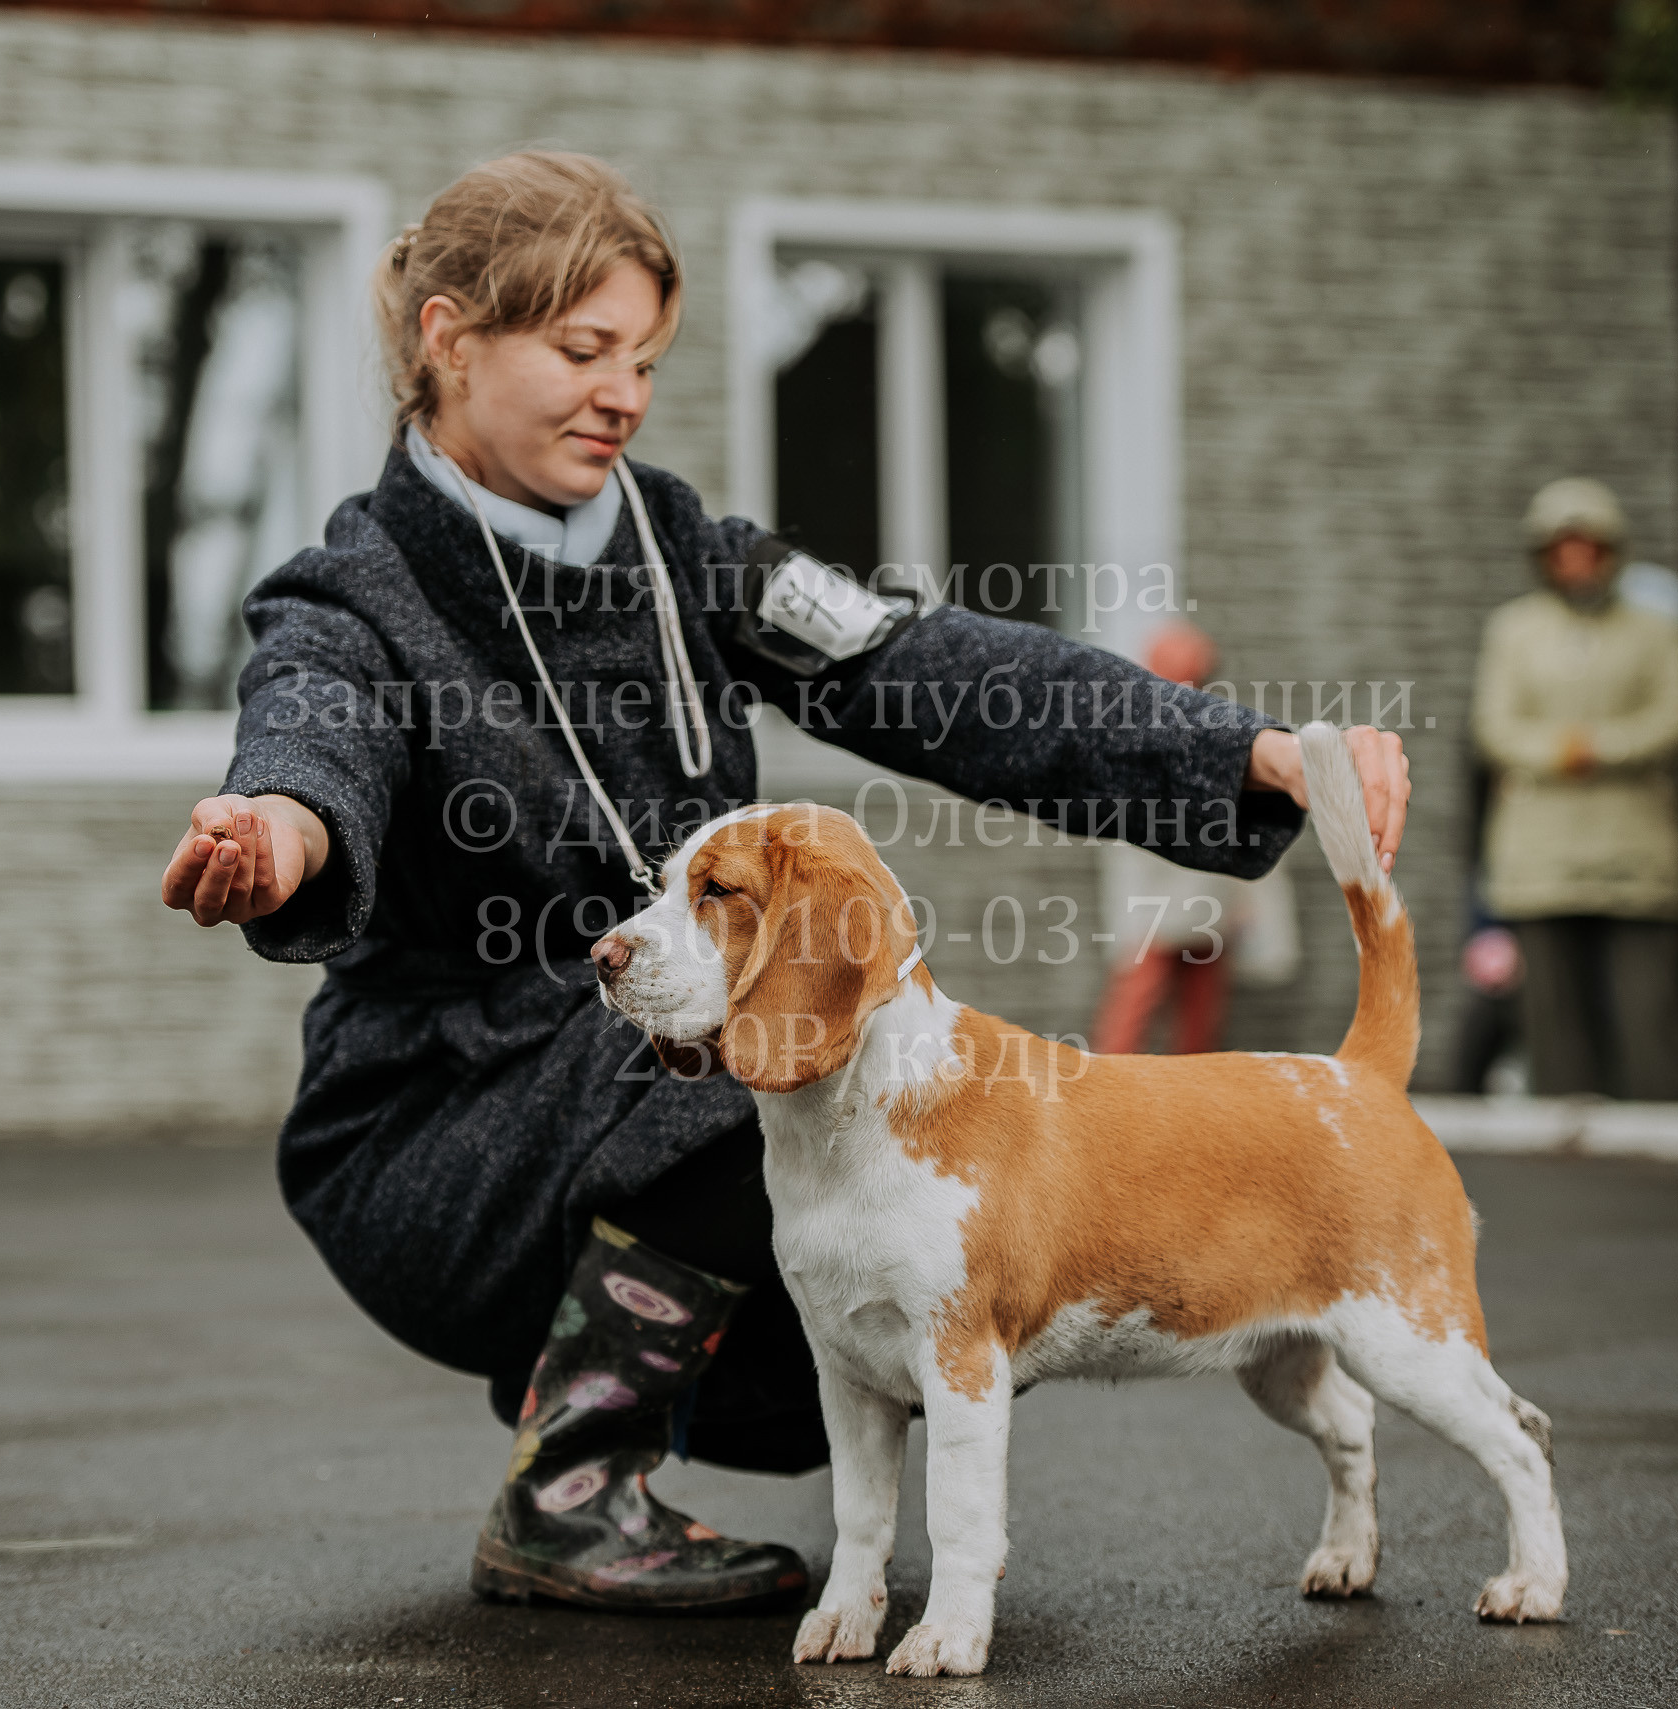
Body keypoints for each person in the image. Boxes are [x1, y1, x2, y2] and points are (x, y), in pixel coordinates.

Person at [155, 152, 1412, 1614]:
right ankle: (569, 1491)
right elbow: (315, 729)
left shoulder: (685, 551)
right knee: (744, 1039)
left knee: (905, 1139)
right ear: (448, 339)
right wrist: (279, 831)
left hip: (656, 1077)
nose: (621, 392)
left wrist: (1238, 752)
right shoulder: (355, 593)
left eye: (642, 358)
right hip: (438, 1123)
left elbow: (934, 670)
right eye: (580, 352)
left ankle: (643, 1390)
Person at [1471, 477, 1678, 1101]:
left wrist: (1598, 747)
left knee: (1647, 1014)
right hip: (1541, 856)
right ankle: (1564, 1152)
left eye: (1588, 546)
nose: (1576, 561)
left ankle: (1667, 1144)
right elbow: (1495, 727)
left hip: (1636, 850)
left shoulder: (1656, 631)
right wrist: (1559, 751)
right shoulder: (1515, 631)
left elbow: (1677, 716)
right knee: (1552, 1020)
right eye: (1562, 548)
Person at [1088, 622, 1300, 1055]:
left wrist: (1245, 896)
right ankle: (1099, 1103)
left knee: (1200, 1020)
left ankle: (1189, 1113)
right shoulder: (1132, 727)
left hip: (1208, 898)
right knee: (1135, 1008)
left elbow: (1241, 815)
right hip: (1156, 903)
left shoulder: (1216, 729)